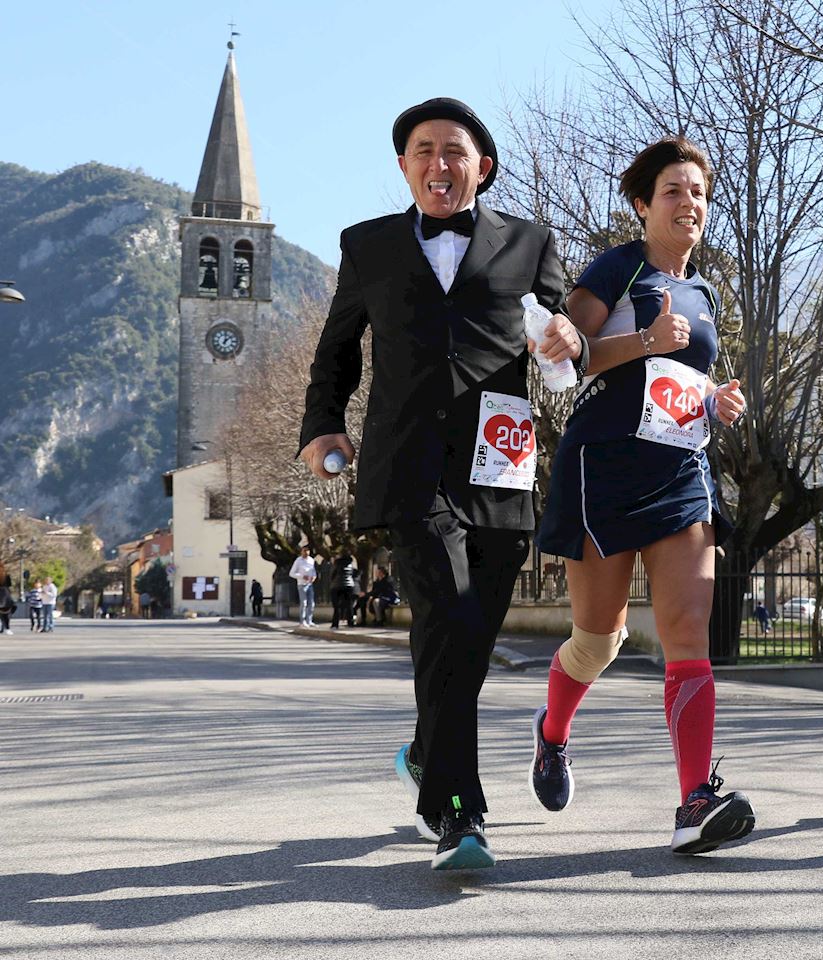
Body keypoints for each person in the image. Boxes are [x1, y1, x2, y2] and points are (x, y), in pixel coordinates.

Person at [298, 97, 586, 871]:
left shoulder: (532, 243)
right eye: (422, 150)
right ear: (404, 167)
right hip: (408, 462)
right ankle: (459, 814)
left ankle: (429, 749)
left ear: (480, 167)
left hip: (501, 460)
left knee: (465, 636)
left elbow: (558, 361)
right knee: (447, 609)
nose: (438, 163)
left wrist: (567, 344)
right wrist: (322, 423)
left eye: (454, 151)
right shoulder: (368, 246)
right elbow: (337, 350)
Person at [530, 136, 754, 856]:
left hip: (682, 471)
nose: (689, 204)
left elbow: (683, 374)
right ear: (642, 204)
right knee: (599, 642)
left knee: (689, 635)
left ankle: (694, 800)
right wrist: (650, 342)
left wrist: (717, 399)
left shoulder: (707, 289)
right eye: (673, 192)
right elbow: (573, 358)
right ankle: (553, 732)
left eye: (698, 193)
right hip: (605, 468)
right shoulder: (619, 266)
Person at [289, 545, 317, 627]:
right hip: (301, 584)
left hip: (310, 584)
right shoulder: (298, 561)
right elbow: (291, 573)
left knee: (311, 603)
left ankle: (309, 620)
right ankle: (302, 621)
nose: (306, 552)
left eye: (308, 551)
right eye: (304, 550)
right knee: (304, 603)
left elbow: (313, 571)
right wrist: (301, 576)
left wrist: (314, 577)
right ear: (301, 551)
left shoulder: (311, 560)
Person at [330, 553, 358, 629]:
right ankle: (350, 623)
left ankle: (335, 624)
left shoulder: (336, 564)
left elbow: (332, 575)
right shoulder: (351, 565)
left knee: (336, 607)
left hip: (337, 586)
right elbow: (354, 574)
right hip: (349, 586)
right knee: (349, 605)